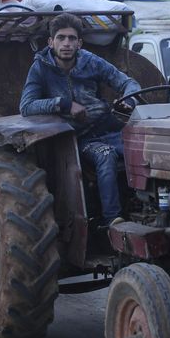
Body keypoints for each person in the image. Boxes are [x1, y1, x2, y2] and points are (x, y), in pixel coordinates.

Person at [20, 13, 141, 226]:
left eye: (71, 38)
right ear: (51, 42)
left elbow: (129, 84)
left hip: (108, 128)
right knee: (105, 156)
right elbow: (26, 106)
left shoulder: (91, 62)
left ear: (79, 43)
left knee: (144, 151)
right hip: (78, 137)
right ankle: (112, 221)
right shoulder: (40, 67)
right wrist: (63, 104)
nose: (66, 43)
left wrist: (129, 102)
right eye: (61, 38)